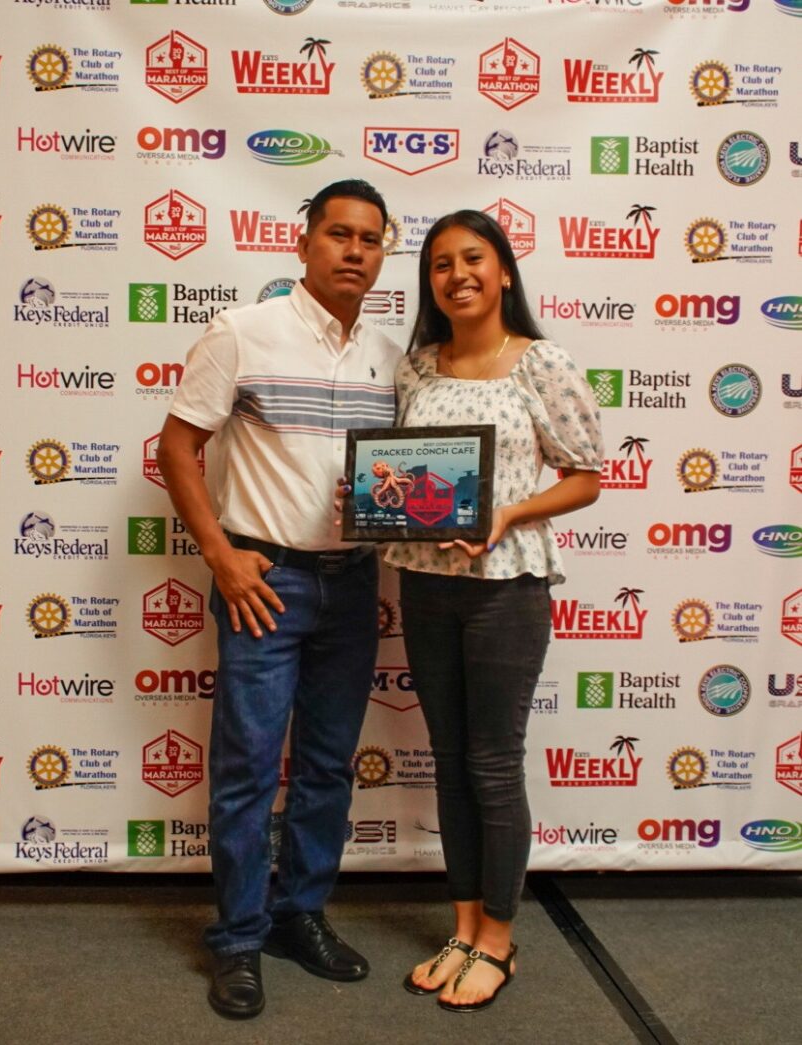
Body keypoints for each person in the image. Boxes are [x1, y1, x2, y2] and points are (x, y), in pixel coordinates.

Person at [340, 210, 603, 1012]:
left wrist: (506, 512)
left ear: (504, 272)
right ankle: (460, 928)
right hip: (424, 583)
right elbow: (401, 474)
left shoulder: (541, 362)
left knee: (492, 762)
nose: (457, 274)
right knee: (450, 759)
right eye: (441, 263)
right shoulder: (418, 369)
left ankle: (498, 937)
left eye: (473, 258)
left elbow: (585, 475)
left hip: (507, 590)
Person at [156, 180, 402, 1020]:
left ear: (382, 253)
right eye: (339, 234)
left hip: (353, 579)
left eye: (370, 239)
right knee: (249, 768)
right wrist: (222, 557)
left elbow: (400, 476)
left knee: (329, 765)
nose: (354, 250)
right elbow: (179, 446)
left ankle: (298, 915)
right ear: (303, 244)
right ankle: (236, 937)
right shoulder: (242, 331)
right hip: (265, 582)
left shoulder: (389, 353)